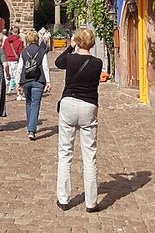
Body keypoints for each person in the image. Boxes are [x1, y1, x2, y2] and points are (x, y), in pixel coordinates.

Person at [55, 28, 103, 213]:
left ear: (77, 41)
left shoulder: (70, 59)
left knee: (65, 153)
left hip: (69, 103)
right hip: (88, 106)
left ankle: (63, 199)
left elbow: (58, 62)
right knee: (89, 156)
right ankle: (91, 202)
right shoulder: (97, 63)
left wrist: (70, 47)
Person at [16, 30, 51, 141]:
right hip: (38, 80)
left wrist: (18, 83)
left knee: (28, 103)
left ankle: (29, 126)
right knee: (35, 104)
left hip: (26, 80)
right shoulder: (42, 51)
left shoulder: (24, 51)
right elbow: (45, 67)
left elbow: (19, 68)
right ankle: (32, 129)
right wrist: (48, 81)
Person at [3, 27, 24, 99]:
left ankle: (4, 94)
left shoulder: (6, 40)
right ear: (18, 32)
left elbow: (3, 50)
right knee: (17, 77)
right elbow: (21, 52)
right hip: (15, 61)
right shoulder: (19, 41)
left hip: (7, 60)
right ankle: (19, 94)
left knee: (6, 77)